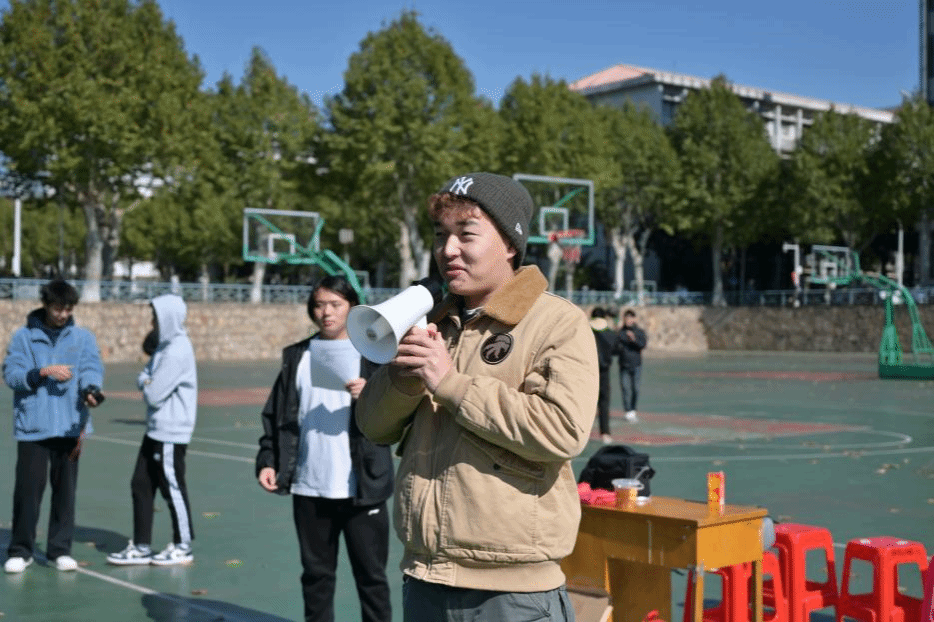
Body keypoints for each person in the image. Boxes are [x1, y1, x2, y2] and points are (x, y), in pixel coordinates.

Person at [356, 172, 598, 621]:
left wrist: (450, 383)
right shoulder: (433, 319)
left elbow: (562, 431)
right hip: (425, 577)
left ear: (510, 244)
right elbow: (373, 426)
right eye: (440, 235)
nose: (448, 250)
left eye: (466, 234)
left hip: (513, 592)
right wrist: (403, 381)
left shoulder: (557, 323)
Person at [255, 275, 393, 622]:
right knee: (316, 578)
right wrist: (268, 460)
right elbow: (276, 415)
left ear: (352, 307)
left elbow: (399, 417)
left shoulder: (374, 356)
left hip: (363, 489)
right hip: (310, 488)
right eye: (319, 305)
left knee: (372, 580)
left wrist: (373, 394)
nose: (326, 312)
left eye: (335, 304)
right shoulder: (297, 356)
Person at [3, 279, 104, 573]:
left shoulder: (83, 338)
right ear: (46, 305)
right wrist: (42, 372)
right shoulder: (23, 337)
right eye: (58, 308)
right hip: (33, 426)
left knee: (65, 492)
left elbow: (91, 367)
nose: (63, 314)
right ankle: (21, 550)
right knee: (28, 491)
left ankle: (60, 550)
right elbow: (12, 374)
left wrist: (91, 389)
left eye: (68, 309)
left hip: (71, 425)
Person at [107, 294, 198, 566]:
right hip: (156, 430)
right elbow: (145, 377)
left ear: (168, 318)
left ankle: (183, 546)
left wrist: (147, 382)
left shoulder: (177, 351)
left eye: (156, 316)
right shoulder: (164, 347)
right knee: (141, 483)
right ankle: (142, 546)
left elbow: (153, 394)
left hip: (171, 432)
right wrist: (147, 380)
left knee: (172, 488)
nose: (152, 322)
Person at [616, 308, 648, 423]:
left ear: (634, 319)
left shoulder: (639, 332)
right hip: (624, 364)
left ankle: (633, 409)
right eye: (626, 318)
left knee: (636, 389)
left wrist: (633, 339)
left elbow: (643, 345)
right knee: (625, 389)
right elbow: (616, 347)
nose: (628, 320)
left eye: (630, 318)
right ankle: (628, 411)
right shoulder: (620, 332)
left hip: (636, 364)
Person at [590, 307, 616, 444]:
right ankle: (605, 433)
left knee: (586, 402)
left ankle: (582, 432)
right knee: (604, 403)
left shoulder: (586, 331)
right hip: (604, 371)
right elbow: (616, 348)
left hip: (588, 370)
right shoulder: (609, 333)